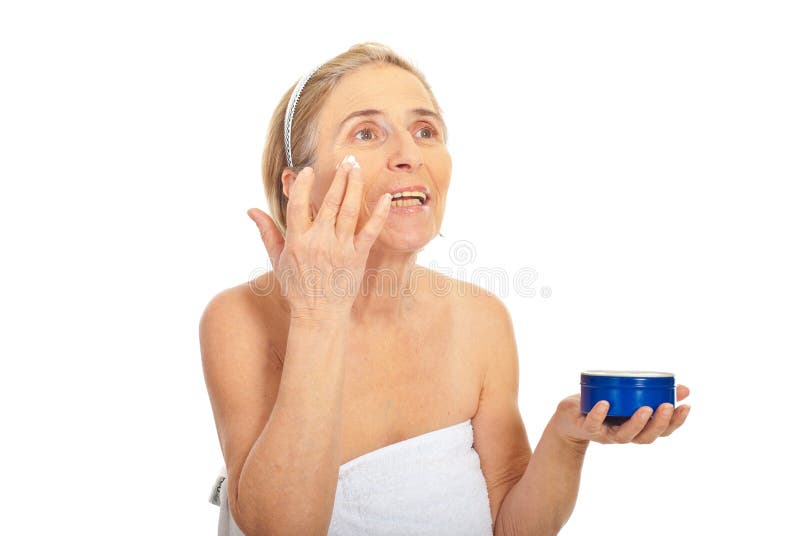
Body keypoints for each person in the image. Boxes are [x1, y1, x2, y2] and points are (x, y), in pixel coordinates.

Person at [200, 41, 691, 536]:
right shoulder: (238, 320)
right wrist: (318, 314)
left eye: (425, 130)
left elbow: (510, 527)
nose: (410, 155)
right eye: (367, 132)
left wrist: (567, 438)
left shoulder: (481, 319)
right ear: (296, 184)